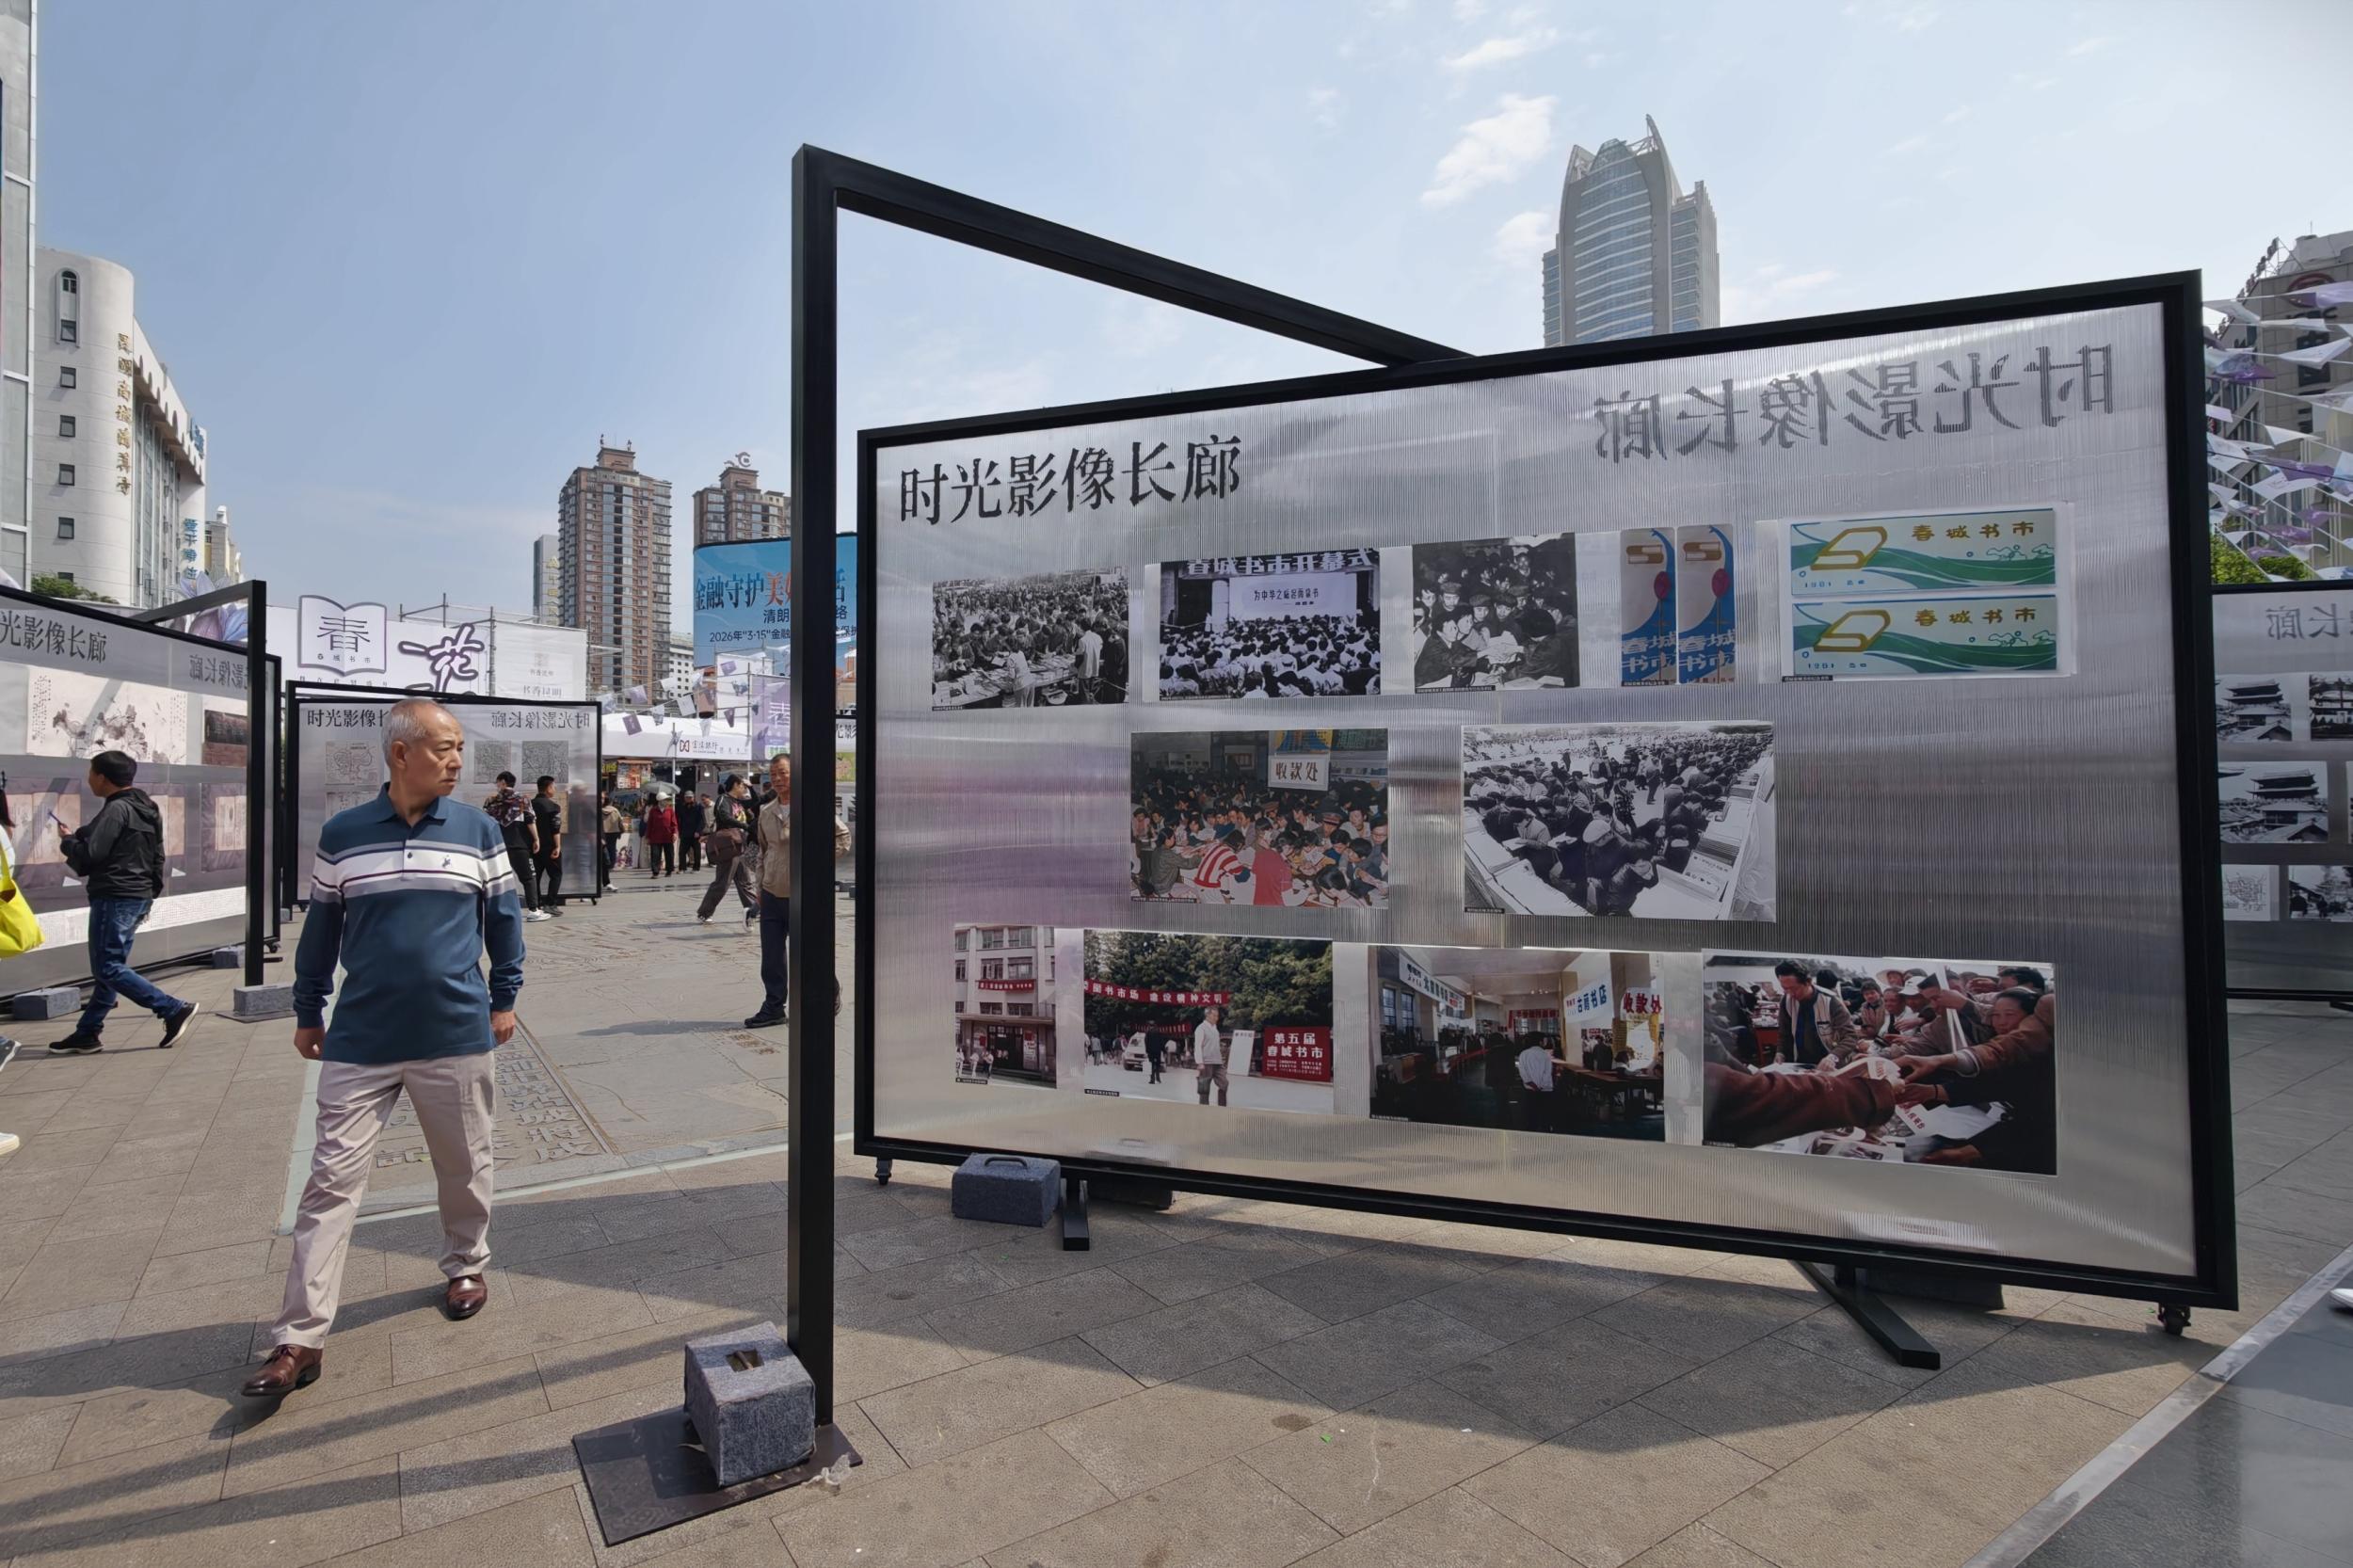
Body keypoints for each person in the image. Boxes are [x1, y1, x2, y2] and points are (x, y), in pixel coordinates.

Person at [245, 698, 523, 1399]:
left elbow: (505, 920)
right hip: (360, 1037)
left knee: (464, 1163)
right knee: (329, 1183)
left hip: (455, 1031)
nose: (456, 760)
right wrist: (308, 1008)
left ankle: (466, 1263)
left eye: (459, 748)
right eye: (442, 747)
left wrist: (505, 997)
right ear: (401, 753)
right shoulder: (344, 835)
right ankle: (299, 1337)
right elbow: (321, 931)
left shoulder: (479, 830)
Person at [50, 750, 199, 1054]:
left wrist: (68, 843)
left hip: (115, 896)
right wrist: (149, 892)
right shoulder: (146, 807)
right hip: (136, 894)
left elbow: (92, 855)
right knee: (111, 966)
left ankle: (171, 1008)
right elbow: (157, 854)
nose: (89, 780)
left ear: (103, 778)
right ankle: (88, 1032)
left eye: (91, 774)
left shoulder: (117, 809)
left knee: (107, 967)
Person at [744, 753, 851, 1029]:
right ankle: (774, 1006)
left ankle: (829, 990)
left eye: (783, 773)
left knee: (811, 953)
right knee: (772, 957)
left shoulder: (812, 806)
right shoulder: (766, 811)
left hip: (803, 894)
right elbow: (762, 852)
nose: (777, 779)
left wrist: (815, 863)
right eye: (773, 774)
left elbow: (842, 838)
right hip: (772, 893)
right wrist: (759, 886)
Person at [483, 772, 549, 922]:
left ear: (503, 782)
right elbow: (530, 820)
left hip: (497, 845)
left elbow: (485, 822)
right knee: (528, 877)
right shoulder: (522, 799)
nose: (496, 785)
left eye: (497, 782)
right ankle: (534, 910)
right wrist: (536, 839)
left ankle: (493, 910)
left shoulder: (491, 800)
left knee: (496, 879)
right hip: (518, 844)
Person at [1774, 959, 1859, 1069]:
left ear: (1808, 982)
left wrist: (1833, 1057)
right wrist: (1780, 1052)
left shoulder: (1831, 1001)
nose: (1790, 993)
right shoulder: (1786, 1001)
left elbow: (1850, 1037)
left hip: (1830, 1066)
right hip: (1800, 1064)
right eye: (1785, 989)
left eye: (1794, 989)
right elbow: (1784, 1033)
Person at [696, 775, 757, 924]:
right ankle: (704, 913)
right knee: (723, 882)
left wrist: (751, 787)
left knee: (745, 882)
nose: (744, 789)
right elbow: (724, 816)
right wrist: (744, 826)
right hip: (728, 846)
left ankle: (754, 910)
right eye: (742, 786)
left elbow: (756, 801)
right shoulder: (723, 799)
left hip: (740, 845)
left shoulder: (738, 802)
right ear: (735, 785)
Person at [531, 776, 565, 913]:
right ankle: (550, 904)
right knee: (556, 875)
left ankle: (537, 904)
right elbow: (555, 828)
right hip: (550, 847)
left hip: (533, 847)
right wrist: (557, 846)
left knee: (536, 876)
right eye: (554, 786)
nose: (555, 789)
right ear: (549, 788)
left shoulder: (529, 805)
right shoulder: (553, 807)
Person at [1193, 1006, 1228, 1107]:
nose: (1216, 1018)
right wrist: (1200, 1062)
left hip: (1218, 1062)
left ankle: (1222, 1107)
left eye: (1217, 1016)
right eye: (1214, 1015)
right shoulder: (1201, 1028)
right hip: (1206, 1062)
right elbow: (1198, 1046)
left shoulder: (1215, 1030)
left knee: (1224, 1083)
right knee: (1204, 1088)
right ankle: (1204, 1109)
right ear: (1207, 1015)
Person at [643, 792, 678, 877]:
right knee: (655, 855)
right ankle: (655, 872)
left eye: (667, 800)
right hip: (655, 837)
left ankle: (669, 870)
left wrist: (675, 833)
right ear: (660, 801)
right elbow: (650, 824)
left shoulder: (670, 810)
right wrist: (648, 837)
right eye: (665, 800)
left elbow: (674, 823)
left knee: (669, 854)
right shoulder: (653, 810)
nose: (667, 801)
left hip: (668, 836)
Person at [598, 789, 624, 890]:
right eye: (600, 798)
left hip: (603, 837)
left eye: (603, 798)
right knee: (610, 852)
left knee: (605, 860)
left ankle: (606, 882)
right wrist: (621, 831)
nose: (601, 800)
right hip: (611, 833)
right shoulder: (614, 810)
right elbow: (620, 821)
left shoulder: (599, 810)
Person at [678, 791, 707, 873]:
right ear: (684, 798)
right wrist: (680, 831)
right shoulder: (682, 806)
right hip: (685, 832)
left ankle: (696, 868)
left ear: (693, 797)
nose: (688, 799)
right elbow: (680, 820)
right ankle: (682, 868)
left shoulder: (699, 806)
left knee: (697, 852)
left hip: (695, 833)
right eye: (687, 797)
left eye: (690, 797)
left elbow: (702, 820)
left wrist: (698, 831)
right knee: (682, 851)